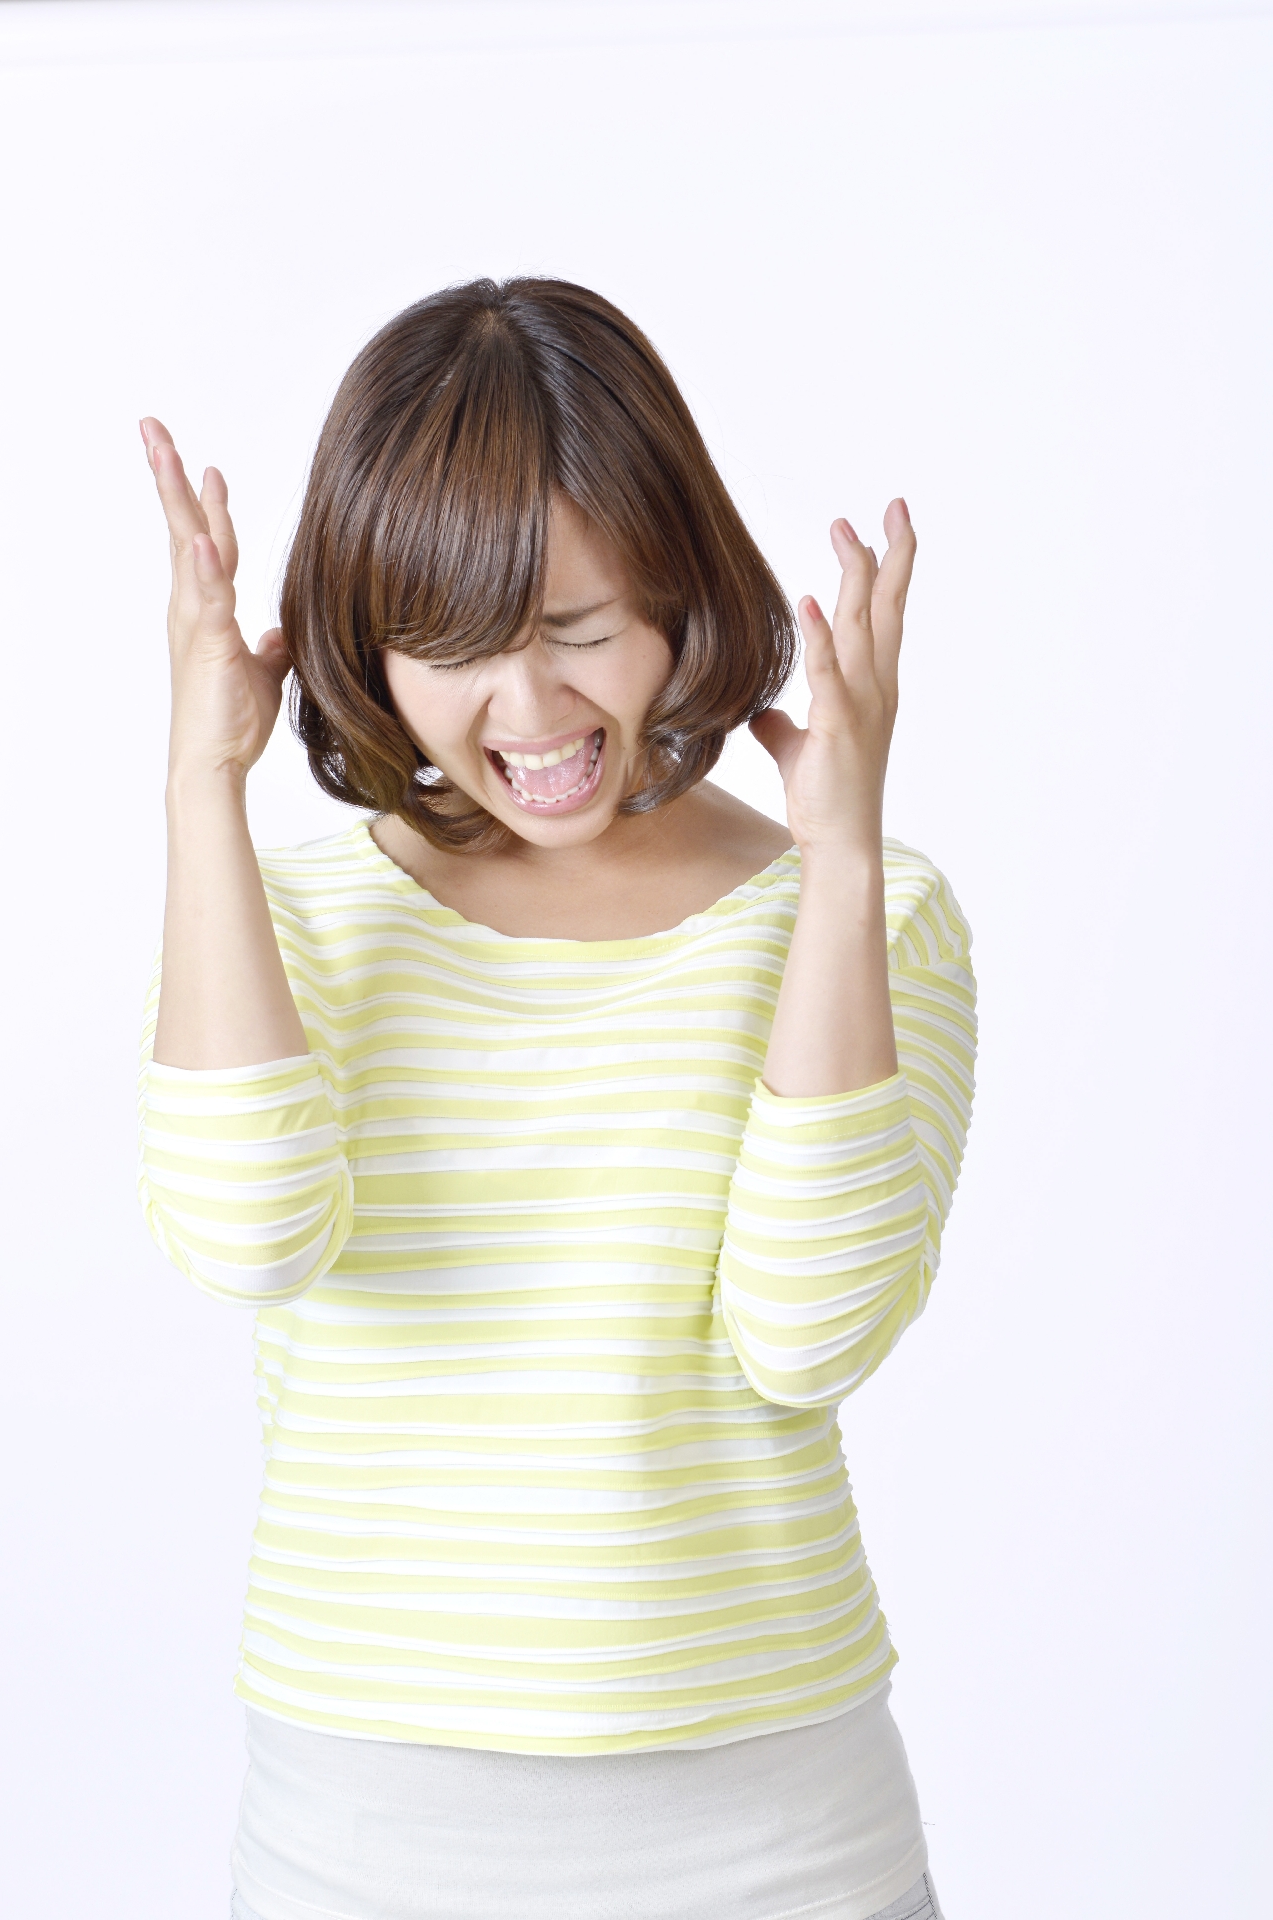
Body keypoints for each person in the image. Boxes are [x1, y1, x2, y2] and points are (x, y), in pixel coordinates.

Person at [137, 277, 976, 1920]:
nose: (528, 716)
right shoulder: (287, 919)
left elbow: (810, 1332)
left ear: (679, 592)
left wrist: (841, 868)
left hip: (782, 1847)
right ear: (368, 649)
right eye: (454, 649)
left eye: (582, 631)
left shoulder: (873, 918)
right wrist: (197, 788)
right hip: (360, 1847)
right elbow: (247, 1239)